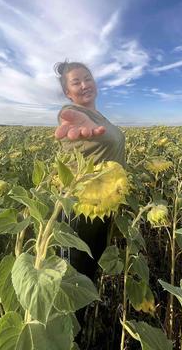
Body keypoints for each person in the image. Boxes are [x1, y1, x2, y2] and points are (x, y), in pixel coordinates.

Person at [54, 61, 126, 280]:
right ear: (68, 93)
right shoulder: (72, 112)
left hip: (102, 202)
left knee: (90, 267)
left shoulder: (101, 117)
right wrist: (81, 122)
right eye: (76, 82)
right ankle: (68, 315)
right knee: (72, 273)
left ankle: (82, 312)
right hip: (79, 204)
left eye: (88, 78)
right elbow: (70, 118)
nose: (84, 85)